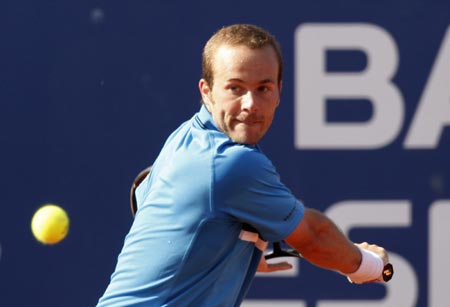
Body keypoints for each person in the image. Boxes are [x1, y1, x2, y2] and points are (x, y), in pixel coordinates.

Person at [96, 23, 390, 307]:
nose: (250, 104)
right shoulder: (234, 164)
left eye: (263, 88)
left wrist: (222, 251)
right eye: (235, 88)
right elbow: (314, 236)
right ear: (206, 91)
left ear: (278, 91)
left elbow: (148, 201)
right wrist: (368, 265)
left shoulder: (185, 138)